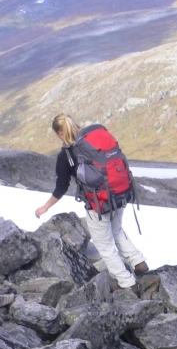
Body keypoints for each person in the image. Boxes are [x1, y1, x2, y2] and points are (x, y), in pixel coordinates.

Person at [35, 114, 148, 293]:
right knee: (116, 230)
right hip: (118, 193)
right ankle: (139, 262)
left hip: (99, 203)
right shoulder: (93, 142)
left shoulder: (66, 155)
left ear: (60, 133)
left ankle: (126, 282)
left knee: (104, 244)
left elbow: (62, 186)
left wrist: (46, 206)